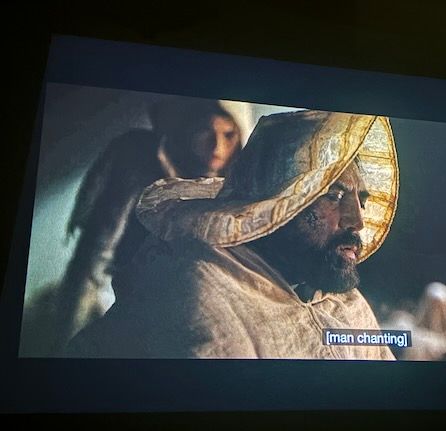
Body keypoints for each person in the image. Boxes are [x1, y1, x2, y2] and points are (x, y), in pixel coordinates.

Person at [66, 110, 399, 360]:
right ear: (277, 202)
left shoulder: (346, 302)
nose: (357, 222)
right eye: (334, 195)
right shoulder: (201, 290)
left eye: (362, 201)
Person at [45, 98, 243, 354]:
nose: (217, 145)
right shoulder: (141, 160)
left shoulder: (235, 188)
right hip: (116, 280)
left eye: (229, 134)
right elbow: (98, 248)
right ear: (189, 129)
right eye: (206, 131)